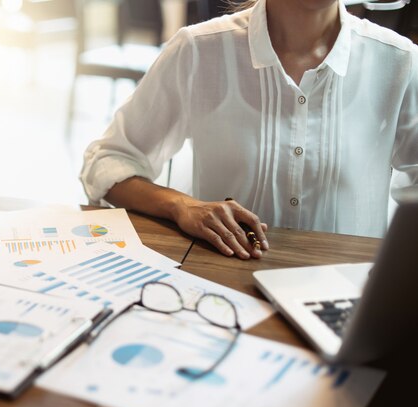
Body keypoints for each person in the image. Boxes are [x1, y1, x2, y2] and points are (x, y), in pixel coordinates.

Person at [80, 0, 418, 260]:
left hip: (350, 298)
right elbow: (108, 160)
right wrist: (181, 206)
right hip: (225, 284)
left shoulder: (399, 61)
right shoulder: (198, 50)